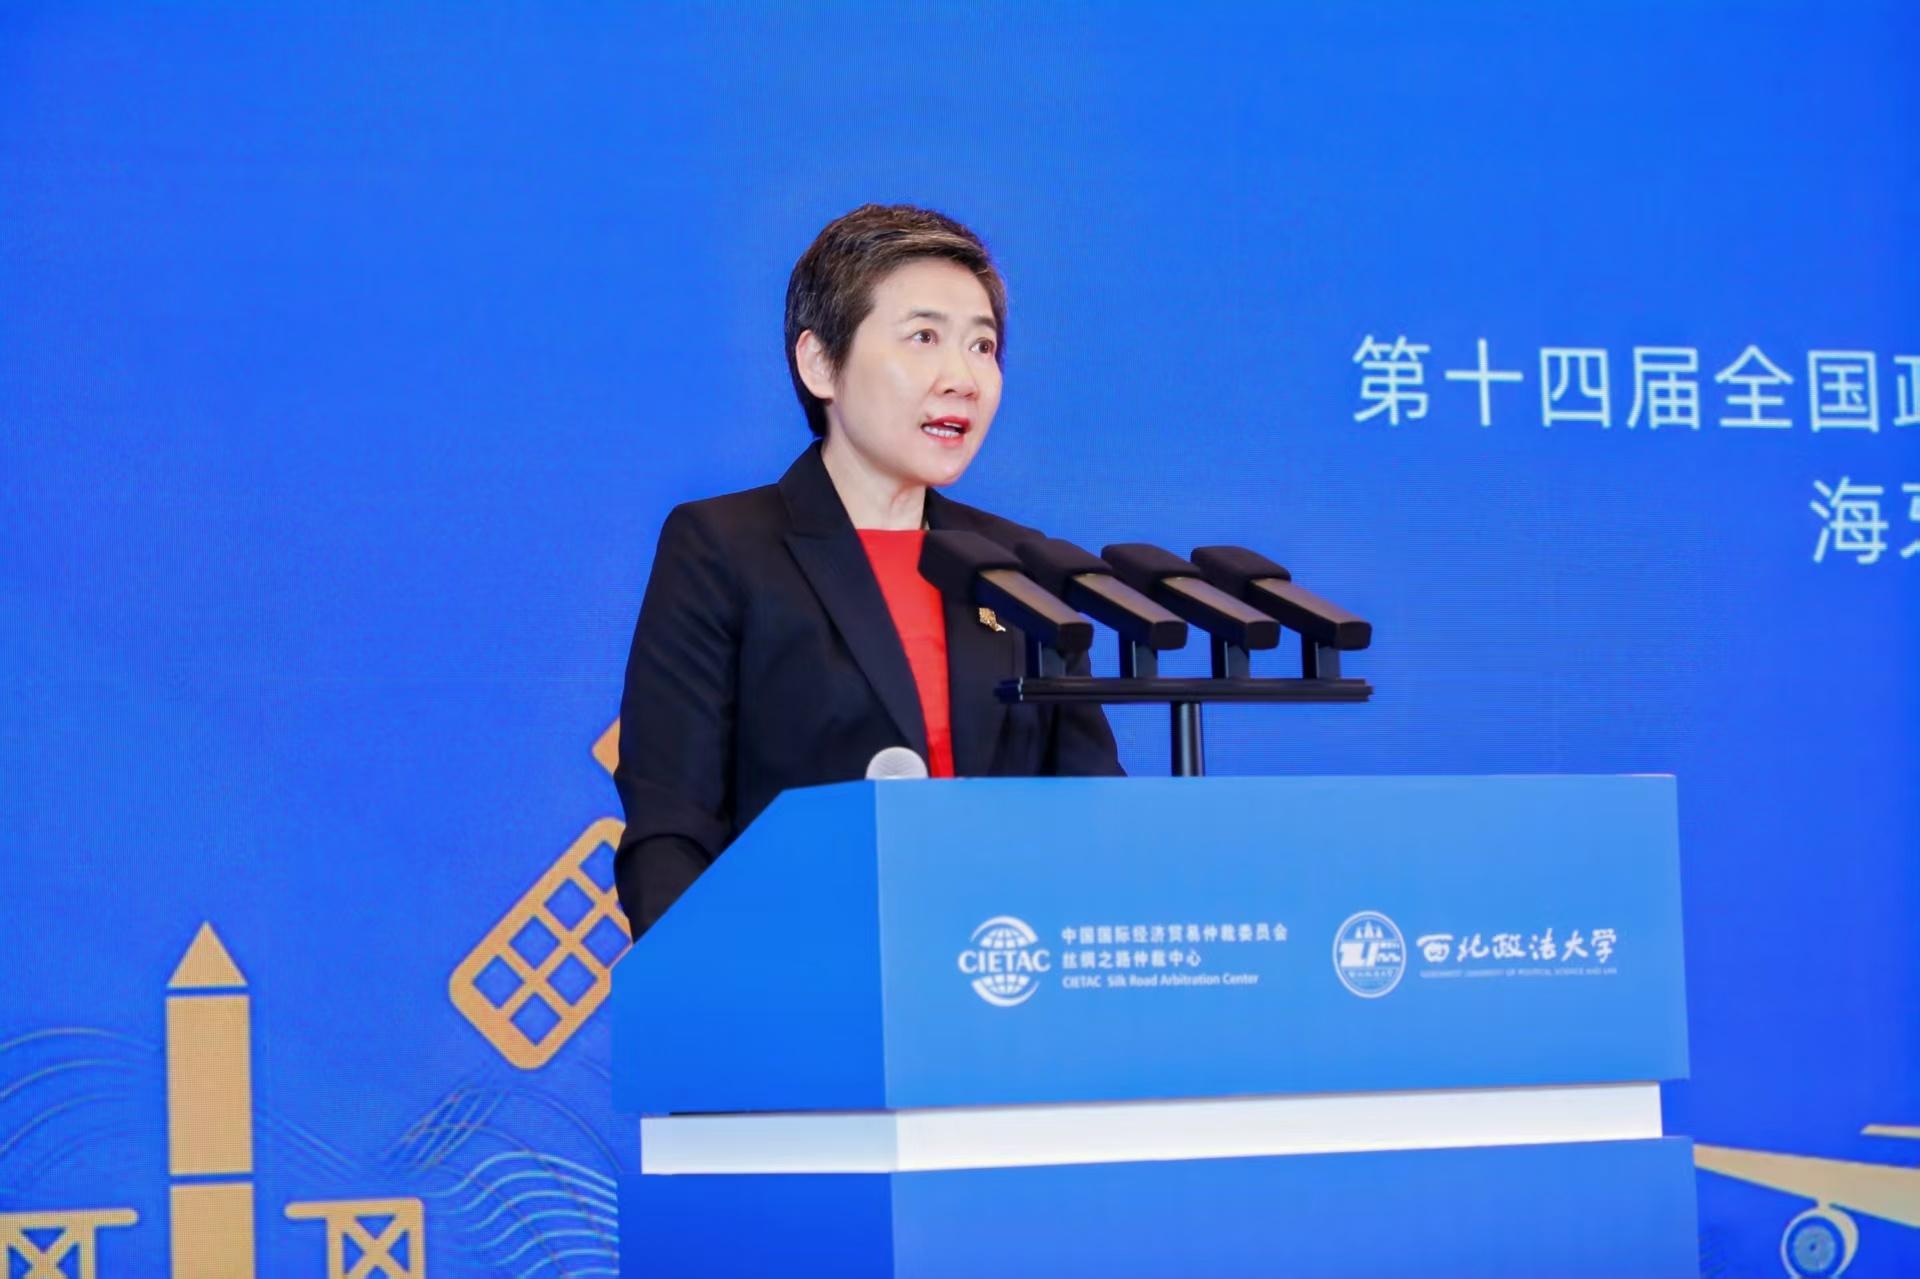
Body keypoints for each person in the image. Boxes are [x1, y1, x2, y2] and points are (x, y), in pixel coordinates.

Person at [613, 203, 1122, 937]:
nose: (963, 378)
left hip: (1000, 977)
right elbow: (672, 826)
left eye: (982, 346)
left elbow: (1091, 811)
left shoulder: (1020, 568)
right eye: (924, 337)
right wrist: (704, 984)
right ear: (820, 362)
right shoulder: (723, 548)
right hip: (795, 972)